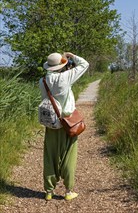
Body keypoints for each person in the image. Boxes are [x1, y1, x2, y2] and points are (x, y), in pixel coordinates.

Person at [39, 52, 89, 201]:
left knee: (50, 156)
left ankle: (49, 191)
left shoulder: (42, 81)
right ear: (62, 65)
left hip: (51, 122)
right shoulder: (66, 77)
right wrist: (71, 56)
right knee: (69, 156)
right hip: (68, 123)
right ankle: (68, 191)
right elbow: (85, 64)